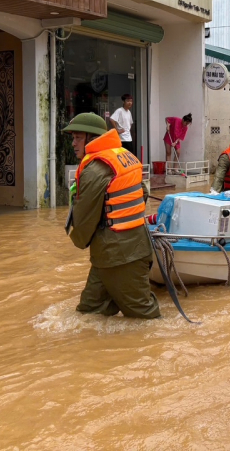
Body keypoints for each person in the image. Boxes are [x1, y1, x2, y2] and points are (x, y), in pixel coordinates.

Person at [63, 112, 160, 319]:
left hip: (120, 257)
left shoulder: (94, 169)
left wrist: (80, 239)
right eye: (73, 138)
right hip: (118, 252)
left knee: (145, 318)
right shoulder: (123, 157)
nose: (73, 143)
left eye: (78, 137)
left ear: (92, 138)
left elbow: (83, 220)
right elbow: (142, 192)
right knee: (89, 312)